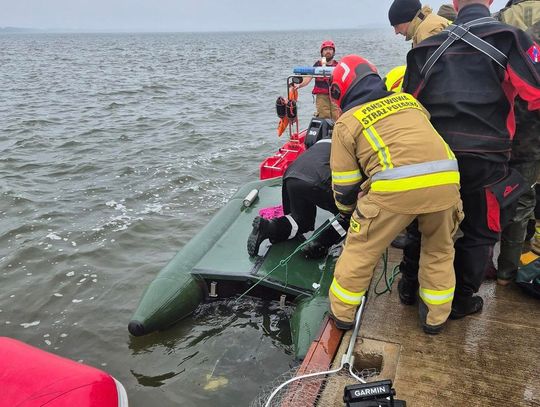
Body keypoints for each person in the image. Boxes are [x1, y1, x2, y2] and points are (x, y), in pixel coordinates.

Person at [401, 0, 540, 318]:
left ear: (452, 4)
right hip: (486, 159)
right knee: (480, 231)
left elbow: (408, 109)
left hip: (434, 157)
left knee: (424, 224)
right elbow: (536, 94)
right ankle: (462, 300)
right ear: (490, 1)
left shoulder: (425, 49)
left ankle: (409, 288)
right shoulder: (511, 38)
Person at [327, 55, 463, 335]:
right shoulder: (412, 103)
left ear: (341, 91)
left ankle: (342, 314)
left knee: (361, 248)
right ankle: (435, 319)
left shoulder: (347, 122)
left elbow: (344, 185)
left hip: (394, 189)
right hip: (448, 182)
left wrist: (349, 212)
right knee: (439, 250)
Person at [247, 137, 349, 259]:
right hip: (319, 178)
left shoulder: (324, 140)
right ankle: (318, 243)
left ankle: (269, 227)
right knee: (351, 214)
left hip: (292, 175)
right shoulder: (352, 146)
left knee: (301, 221)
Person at [496, 18, 540, 285]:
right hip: (528, 139)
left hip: (507, 133)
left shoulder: (518, 39)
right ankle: (507, 272)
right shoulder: (530, 43)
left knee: (506, 197)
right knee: (522, 202)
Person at [296, 40, 340, 121]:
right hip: (322, 96)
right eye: (325, 49)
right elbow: (308, 77)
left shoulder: (338, 65)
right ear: (322, 52)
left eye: (330, 49)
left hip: (335, 96)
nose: (328, 51)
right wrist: (299, 85)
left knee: (337, 116)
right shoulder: (317, 65)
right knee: (323, 116)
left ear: (333, 52)